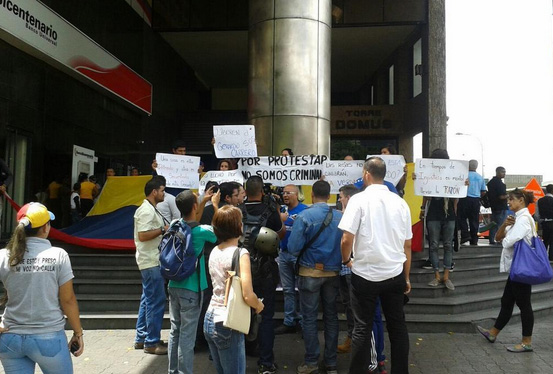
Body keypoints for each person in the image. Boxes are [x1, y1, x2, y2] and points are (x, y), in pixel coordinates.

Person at [339, 157, 412, 374]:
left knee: (362, 327)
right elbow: (407, 245)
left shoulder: (358, 200)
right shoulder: (400, 202)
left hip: (365, 275)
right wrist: (407, 277)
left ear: (366, 174)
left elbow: (346, 238)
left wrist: (346, 261)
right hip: (394, 273)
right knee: (397, 327)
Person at [0, 202, 84, 374]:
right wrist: (78, 333)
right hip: (49, 338)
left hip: (10, 339)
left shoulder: (4, 255)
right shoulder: (58, 255)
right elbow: (67, 300)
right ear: (46, 227)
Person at [288, 180, 342, 374]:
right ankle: (331, 363)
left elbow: (293, 248)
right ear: (329, 195)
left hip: (309, 272)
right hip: (333, 272)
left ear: (312, 194)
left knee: (309, 318)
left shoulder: (304, 217)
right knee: (331, 317)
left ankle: (311, 362)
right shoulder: (340, 217)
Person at [204, 205, 264, 374]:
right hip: (228, 321)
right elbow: (247, 294)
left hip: (210, 317)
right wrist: (258, 305)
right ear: (238, 227)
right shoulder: (240, 253)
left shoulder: (215, 250)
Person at [476, 189, 537, 353]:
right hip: (516, 268)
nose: (508, 202)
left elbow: (506, 242)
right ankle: (492, 333)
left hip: (521, 268)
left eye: (511, 199)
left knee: (524, 305)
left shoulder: (524, 219)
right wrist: (504, 224)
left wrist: (507, 234)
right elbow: (497, 237)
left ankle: (526, 342)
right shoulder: (517, 219)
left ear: (521, 200)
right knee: (507, 301)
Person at [167, 190, 218, 374]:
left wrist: (202, 201)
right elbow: (217, 231)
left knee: (175, 332)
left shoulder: (174, 225)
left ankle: (173, 371)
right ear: (195, 207)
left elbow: (191, 218)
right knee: (187, 339)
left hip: (173, 285)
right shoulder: (201, 231)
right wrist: (215, 204)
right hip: (192, 288)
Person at [242, 176, 285, 374]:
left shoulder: (237, 211)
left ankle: (238, 358)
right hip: (266, 270)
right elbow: (279, 234)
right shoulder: (269, 210)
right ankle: (266, 363)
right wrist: (277, 212)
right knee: (266, 316)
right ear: (262, 192)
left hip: (242, 269)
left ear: (245, 190)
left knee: (240, 314)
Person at [133, 177, 169, 355]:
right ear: (154, 192)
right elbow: (143, 235)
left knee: (147, 300)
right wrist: (163, 230)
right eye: (162, 190)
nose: (164, 193)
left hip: (150, 261)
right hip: (151, 261)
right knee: (156, 301)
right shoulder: (147, 211)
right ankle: (151, 342)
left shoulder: (150, 209)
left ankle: (142, 338)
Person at [421, 149, 457, 291]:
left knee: (443, 245)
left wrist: (462, 184)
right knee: (437, 245)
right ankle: (439, 275)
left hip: (444, 214)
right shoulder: (429, 174)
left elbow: (456, 196)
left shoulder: (453, 174)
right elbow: (426, 193)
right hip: (437, 213)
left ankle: (444, 276)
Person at [274, 184, 308, 335]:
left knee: (302, 289)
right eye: (283, 193)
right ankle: (289, 321)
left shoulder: (305, 210)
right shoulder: (282, 210)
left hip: (299, 255)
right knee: (288, 290)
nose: (285, 195)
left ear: (296, 194)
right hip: (283, 253)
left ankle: (303, 321)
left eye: (288, 193)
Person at [336, 185, 359, 354]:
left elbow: (347, 239)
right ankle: (352, 338)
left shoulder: (357, 214)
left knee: (354, 307)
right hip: (344, 269)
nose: (339, 200)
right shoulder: (345, 214)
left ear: (349, 198)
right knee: (348, 305)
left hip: (352, 268)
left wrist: (347, 261)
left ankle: (356, 340)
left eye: (341, 196)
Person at [458, 160, 486, 245]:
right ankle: (474, 239)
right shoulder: (480, 177)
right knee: (474, 220)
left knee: (461, 218)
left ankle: (465, 234)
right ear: (476, 167)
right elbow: (483, 191)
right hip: (475, 200)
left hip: (464, 199)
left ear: (467, 166)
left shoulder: (464, 176)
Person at [488, 167, 508, 245]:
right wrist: (509, 195)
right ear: (497, 172)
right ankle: (498, 239)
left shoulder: (491, 182)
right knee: (501, 225)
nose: (504, 174)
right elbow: (501, 196)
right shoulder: (500, 184)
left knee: (493, 224)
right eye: (502, 172)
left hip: (494, 207)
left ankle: (492, 239)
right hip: (501, 207)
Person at [536, 184, 553, 260]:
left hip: (544, 223)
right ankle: (551, 258)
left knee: (545, 240)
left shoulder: (539, 201)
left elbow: (536, 215)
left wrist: (540, 221)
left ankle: (543, 258)